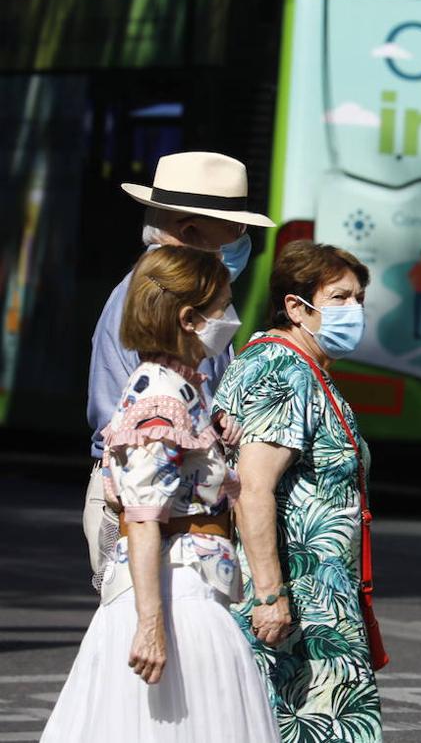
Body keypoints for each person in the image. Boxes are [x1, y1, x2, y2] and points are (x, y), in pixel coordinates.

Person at [43, 246, 280, 743]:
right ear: (189, 319)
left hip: (191, 588)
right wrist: (151, 626)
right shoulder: (160, 398)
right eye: (223, 307)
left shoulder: (178, 389)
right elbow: (144, 516)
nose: (231, 319)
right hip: (176, 596)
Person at [214, 241, 383, 743]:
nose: (353, 310)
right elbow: (253, 487)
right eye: (339, 298)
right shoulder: (284, 371)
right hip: (297, 605)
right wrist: (270, 595)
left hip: (317, 599)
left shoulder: (304, 369)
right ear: (295, 306)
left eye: (358, 298)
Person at [85, 151, 274, 590]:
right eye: (234, 230)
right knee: (149, 638)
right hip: (150, 501)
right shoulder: (152, 299)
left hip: (179, 498)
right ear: (190, 231)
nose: (241, 239)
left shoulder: (190, 297)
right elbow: (137, 421)